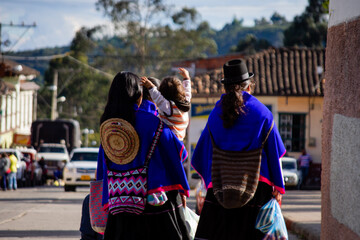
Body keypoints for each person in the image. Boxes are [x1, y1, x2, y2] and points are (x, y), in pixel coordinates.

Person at [191, 59, 286, 240]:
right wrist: (278, 187)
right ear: (249, 86)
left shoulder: (215, 115)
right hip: (257, 190)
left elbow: (203, 155)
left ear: (225, 88)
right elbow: (274, 154)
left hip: (221, 189)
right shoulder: (263, 113)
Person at [96, 71, 190, 239]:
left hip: (119, 201)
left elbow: (102, 166)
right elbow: (179, 154)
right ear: (137, 95)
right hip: (155, 203)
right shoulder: (153, 122)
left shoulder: (108, 127)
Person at [141, 68, 192, 141]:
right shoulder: (185, 103)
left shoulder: (169, 107)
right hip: (180, 140)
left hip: (170, 140)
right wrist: (187, 78)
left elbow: (158, 98)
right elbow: (187, 91)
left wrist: (150, 86)